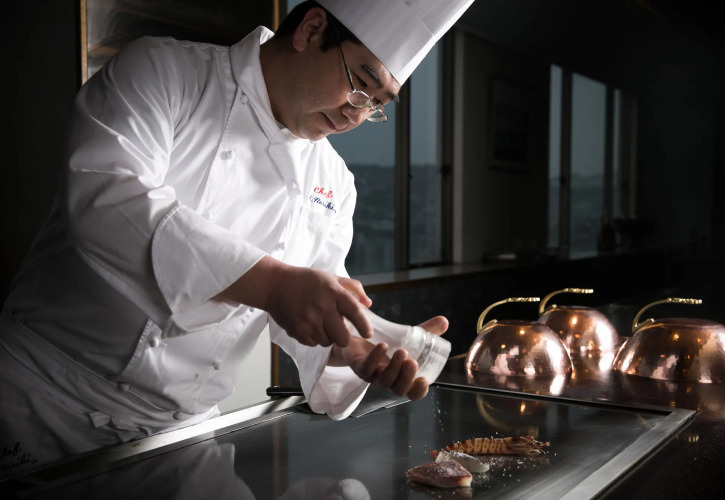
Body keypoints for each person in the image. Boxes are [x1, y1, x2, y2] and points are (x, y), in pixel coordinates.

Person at [0, 0, 474, 475]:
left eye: (376, 105)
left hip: (179, 433)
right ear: (311, 30)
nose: (357, 114)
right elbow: (106, 197)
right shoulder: (164, 71)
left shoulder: (334, 181)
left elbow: (315, 306)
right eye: (361, 85)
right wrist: (272, 284)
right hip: (44, 401)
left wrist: (351, 348)